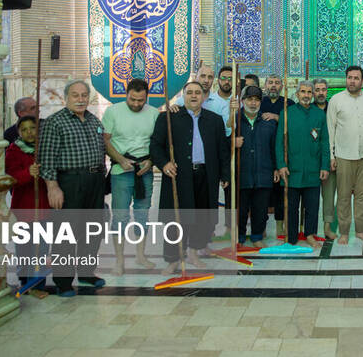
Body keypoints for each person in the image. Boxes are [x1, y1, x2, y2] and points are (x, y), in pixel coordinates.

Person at [150, 81, 230, 275]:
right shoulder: (169, 118)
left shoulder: (215, 120)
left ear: (204, 96)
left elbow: (223, 150)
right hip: (179, 176)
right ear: (183, 96)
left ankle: (194, 253)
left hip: (206, 175)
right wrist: (164, 164)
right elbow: (155, 146)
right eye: (190, 93)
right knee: (176, 219)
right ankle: (172, 259)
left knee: (202, 218)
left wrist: (224, 174)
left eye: (198, 93)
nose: (194, 96)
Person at [39, 80, 107, 297]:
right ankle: (63, 280)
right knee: (66, 233)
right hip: (70, 182)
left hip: (95, 182)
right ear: (66, 98)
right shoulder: (54, 122)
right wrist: (52, 187)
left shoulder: (93, 120)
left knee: (92, 230)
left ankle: (86, 273)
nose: (80, 99)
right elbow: (46, 159)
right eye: (75, 95)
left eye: (84, 95)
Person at [102, 78, 160, 275]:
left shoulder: (153, 113)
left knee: (142, 213)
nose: (136, 104)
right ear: (126, 94)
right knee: (120, 215)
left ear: (146, 97)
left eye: (140, 100)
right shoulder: (112, 112)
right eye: (132, 99)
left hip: (145, 170)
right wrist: (120, 159)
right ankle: (119, 260)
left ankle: (141, 255)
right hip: (121, 170)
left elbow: (157, 142)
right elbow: (105, 141)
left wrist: (151, 161)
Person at [327, 66, 363, 244]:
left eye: (356, 78)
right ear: (346, 79)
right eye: (349, 77)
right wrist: (332, 156)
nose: (352, 81)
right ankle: (345, 232)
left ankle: (360, 230)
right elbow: (330, 130)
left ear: (362, 81)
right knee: (344, 196)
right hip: (344, 155)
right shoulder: (336, 100)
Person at [277, 80, 329, 247]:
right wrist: (281, 164)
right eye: (303, 92)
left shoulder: (319, 114)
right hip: (292, 170)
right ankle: (291, 237)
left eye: (309, 92)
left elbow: (324, 142)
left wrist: (324, 166)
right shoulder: (287, 113)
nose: (306, 95)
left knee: (312, 207)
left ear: (312, 94)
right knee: (292, 207)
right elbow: (279, 142)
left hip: (313, 170)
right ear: (297, 94)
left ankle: (310, 234)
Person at [5, 115, 50, 299]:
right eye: (24, 130)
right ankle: (25, 282)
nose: (29, 132)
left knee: (42, 248)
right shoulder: (14, 150)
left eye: (33, 128)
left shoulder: (44, 148)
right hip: (24, 209)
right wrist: (27, 173)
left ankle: (39, 283)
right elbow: (11, 177)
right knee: (25, 248)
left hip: (44, 208)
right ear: (19, 133)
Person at [235, 86, 276, 247]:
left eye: (256, 100)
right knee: (241, 208)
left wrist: (275, 168)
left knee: (260, 208)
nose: (253, 103)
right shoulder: (235, 121)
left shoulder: (268, 122)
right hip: (242, 173)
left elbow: (274, 147)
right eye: (249, 99)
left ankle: (257, 236)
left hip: (263, 172)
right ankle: (239, 236)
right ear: (243, 101)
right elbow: (222, 143)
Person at [259, 74, 294, 235]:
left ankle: (281, 227)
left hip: (283, 155)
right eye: (270, 82)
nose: (273, 85)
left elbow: (295, 124)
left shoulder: (288, 104)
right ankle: (262, 227)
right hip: (263, 156)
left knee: (281, 194)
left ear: (282, 86)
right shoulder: (258, 102)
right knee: (263, 194)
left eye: (277, 83)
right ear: (265, 85)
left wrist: (276, 117)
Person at [313, 78, 337, 240]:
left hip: (331, 159)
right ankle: (309, 229)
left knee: (329, 195)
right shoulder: (307, 109)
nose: (320, 93)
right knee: (311, 197)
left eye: (323, 89)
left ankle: (328, 227)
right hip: (312, 160)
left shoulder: (334, 109)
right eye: (317, 90)